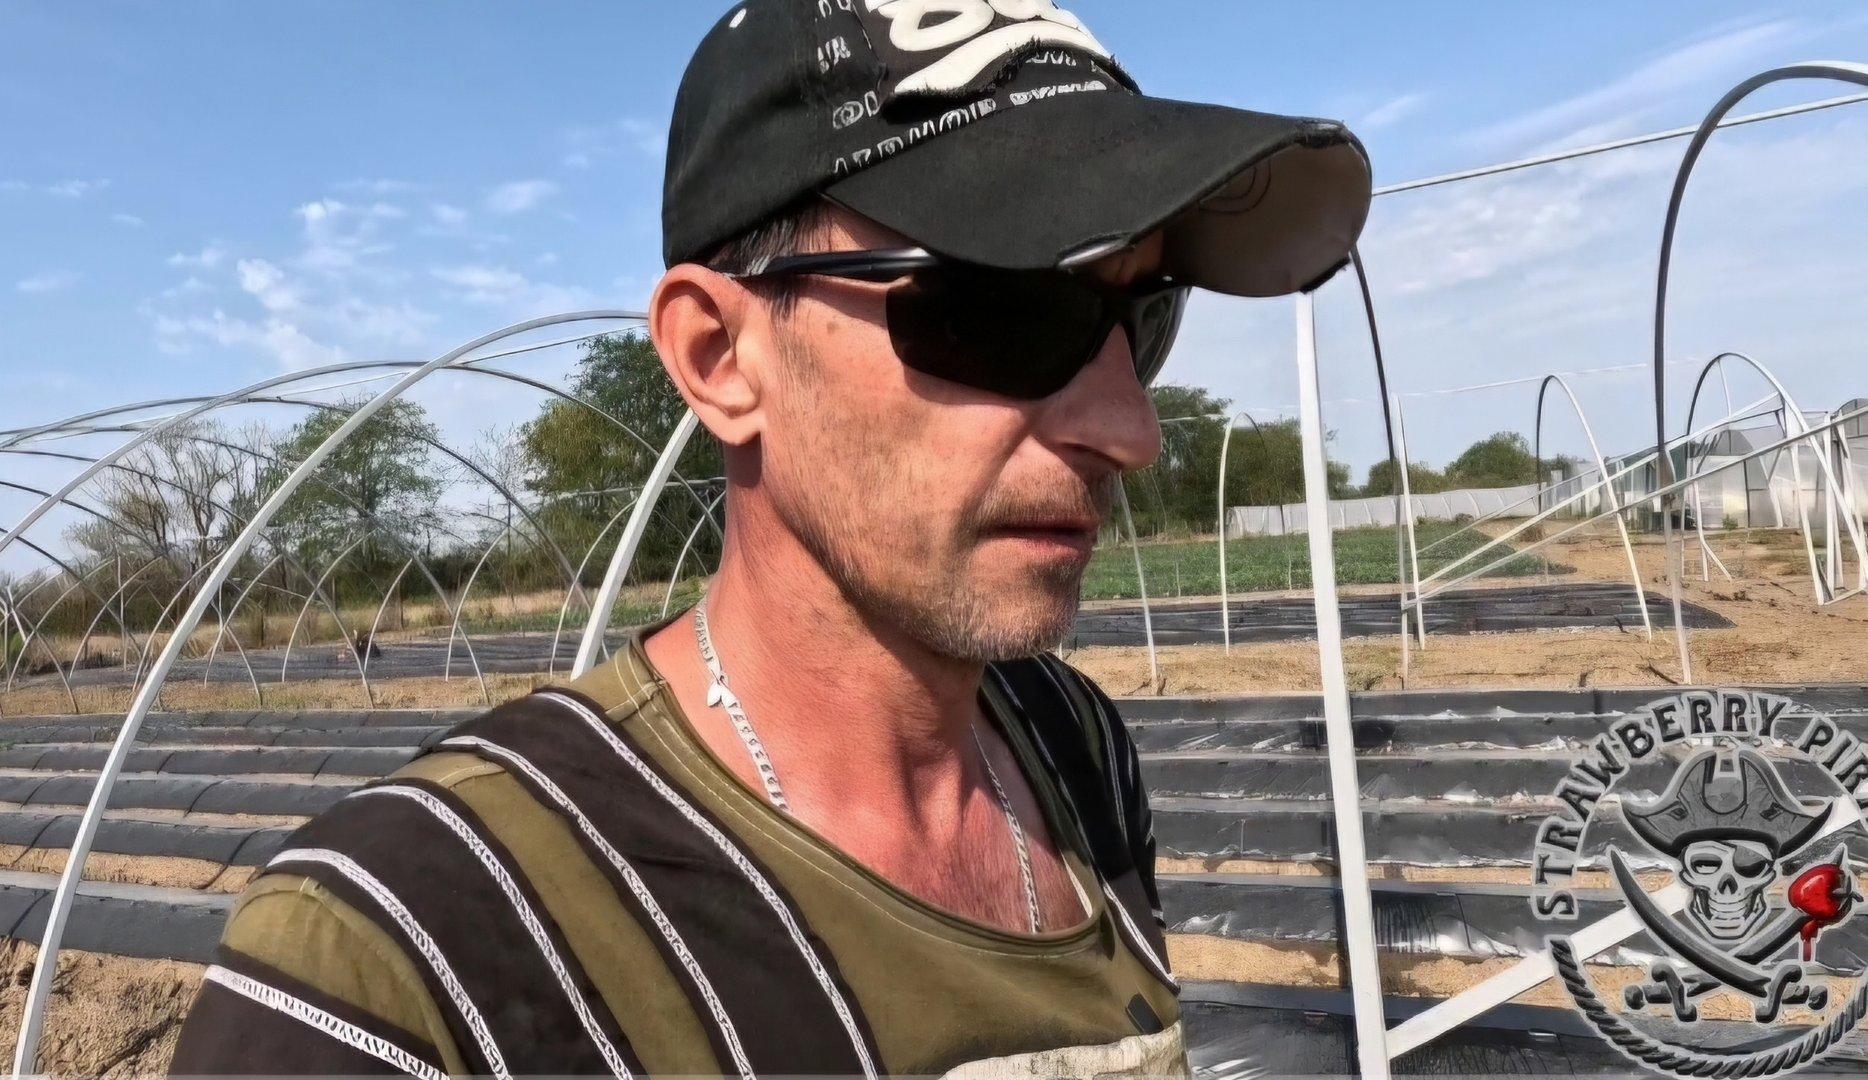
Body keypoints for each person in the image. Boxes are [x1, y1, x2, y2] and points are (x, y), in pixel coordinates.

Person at [168, 1, 1370, 1075]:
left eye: (1141, 313)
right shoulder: (415, 962)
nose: (1129, 428)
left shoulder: (1073, 746)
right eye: (1011, 305)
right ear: (721, 358)